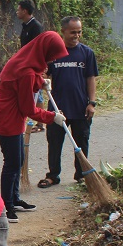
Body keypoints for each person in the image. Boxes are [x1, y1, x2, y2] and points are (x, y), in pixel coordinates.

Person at [0, 32, 68, 222]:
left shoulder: (24, 61)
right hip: (7, 120)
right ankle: (5, 206)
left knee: (18, 159)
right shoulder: (26, 72)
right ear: (45, 51)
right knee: (13, 163)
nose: (54, 58)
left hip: (8, 116)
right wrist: (52, 117)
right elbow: (28, 108)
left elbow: (27, 80)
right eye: (53, 54)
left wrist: (40, 82)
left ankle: (14, 199)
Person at [38, 17, 99, 188]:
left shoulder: (87, 53)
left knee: (82, 142)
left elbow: (91, 79)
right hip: (57, 109)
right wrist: (42, 80)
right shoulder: (53, 54)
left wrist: (92, 103)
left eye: (79, 31)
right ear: (63, 31)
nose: (77, 35)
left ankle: (81, 174)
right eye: (73, 32)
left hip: (81, 108)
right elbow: (42, 76)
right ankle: (52, 175)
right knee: (54, 143)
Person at [17, 0, 47, 132]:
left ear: (25, 11)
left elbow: (40, 48)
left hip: (33, 66)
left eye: (18, 9)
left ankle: (40, 123)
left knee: (37, 92)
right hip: (24, 65)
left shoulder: (36, 27)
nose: (17, 12)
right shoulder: (25, 26)